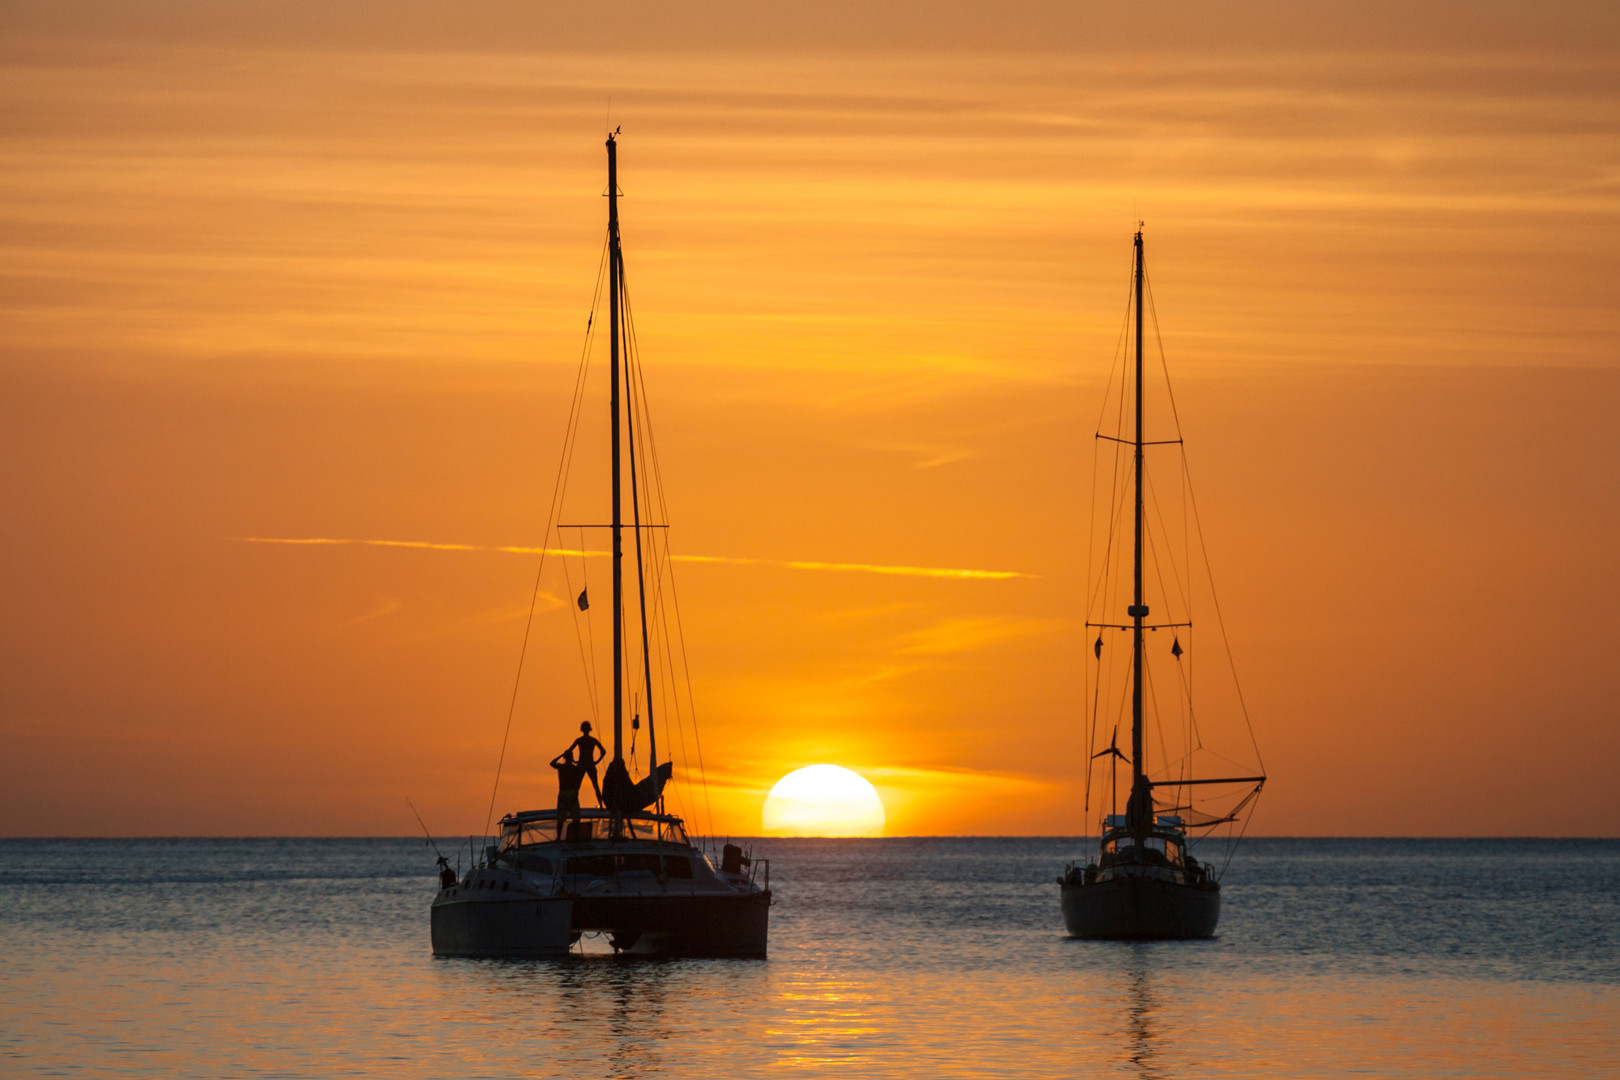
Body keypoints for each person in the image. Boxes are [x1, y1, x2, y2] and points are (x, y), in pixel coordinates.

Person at [569, 721, 606, 805]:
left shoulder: (579, 740)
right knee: (595, 786)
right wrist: (597, 761)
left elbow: (569, 750)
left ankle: (573, 805)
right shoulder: (592, 740)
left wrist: (573, 760)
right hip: (589, 764)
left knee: (576, 787)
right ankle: (601, 806)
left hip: (582, 765)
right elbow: (603, 751)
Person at [551, 749, 584, 839]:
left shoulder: (562, 767)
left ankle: (559, 837)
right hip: (571, 793)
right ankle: (576, 836)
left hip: (564, 793)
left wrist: (561, 755)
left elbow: (552, 763)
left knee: (561, 818)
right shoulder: (575, 769)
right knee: (575, 818)